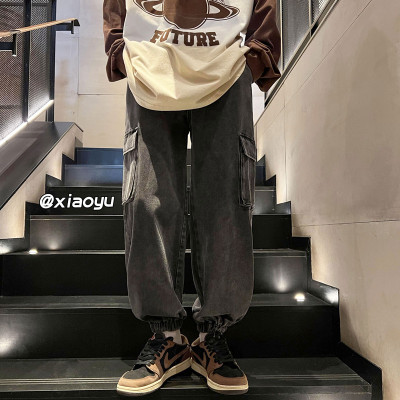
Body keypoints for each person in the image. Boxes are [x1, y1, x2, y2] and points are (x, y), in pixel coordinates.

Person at [103, 0, 281, 396]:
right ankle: (166, 337)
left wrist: (256, 56)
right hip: (150, 65)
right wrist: (119, 46)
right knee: (146, 199)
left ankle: (210, 337)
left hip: (225, 65)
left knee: (225, 201)